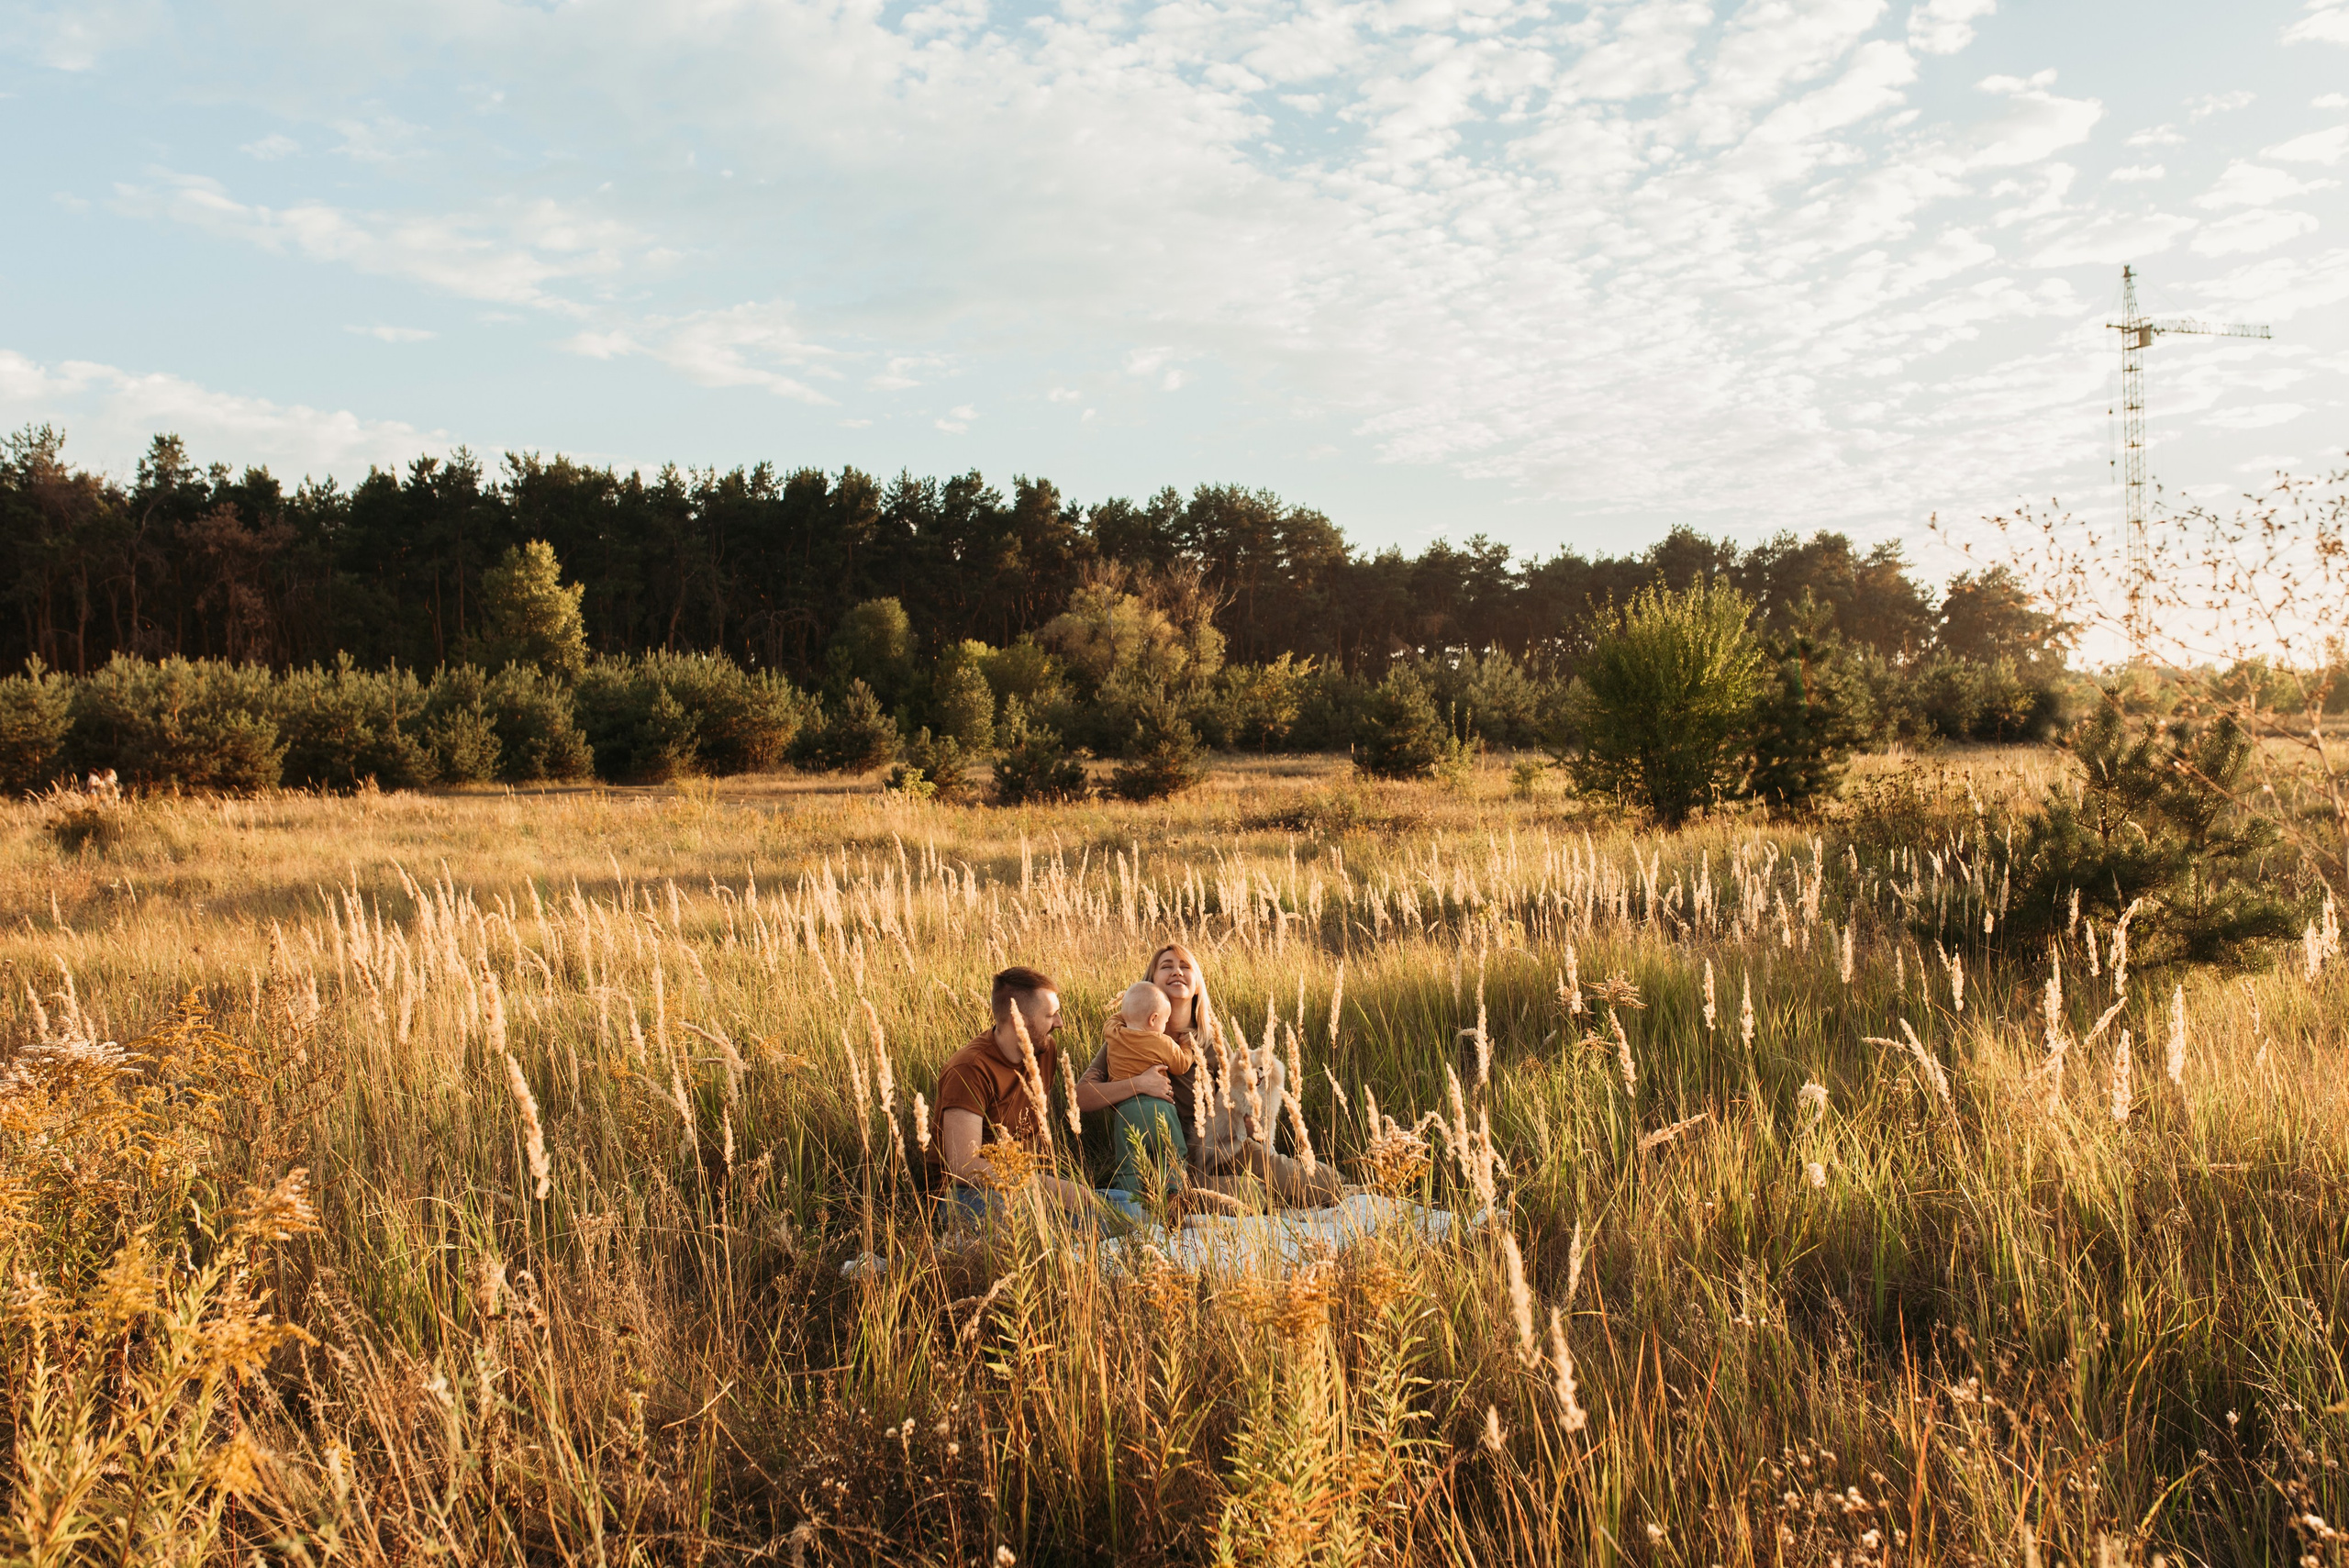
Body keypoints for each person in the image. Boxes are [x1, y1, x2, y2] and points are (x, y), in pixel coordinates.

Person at [1074, 941, 1339, 1208]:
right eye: (1167, 966)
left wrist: (1252, 1121)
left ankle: (1349, 1190)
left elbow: (1239, 1104)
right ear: (1151, 981)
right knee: (1251, 1195)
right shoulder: (1128, 1037)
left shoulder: (1212, 1043)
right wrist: (1140, 1084)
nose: (1177, 971)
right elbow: (1081, 1097)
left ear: (1197, 983)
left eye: (1185, 966)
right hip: (1171, 1170)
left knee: (1308, 1178)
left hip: (1222, 1149)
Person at [927, 965, 1097, 1222]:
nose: (1060, 1023)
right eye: (1051, 1015)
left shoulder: (1044, 1050)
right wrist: (1048, 1187)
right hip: (968, 1196)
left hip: (1026, 1185)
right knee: (1081, 1221)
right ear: (1018, 1021)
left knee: (1118, 1205)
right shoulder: (969, 1069)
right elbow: (965, 1167)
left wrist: (1053, 1186)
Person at [1103, 981, 1192, 1083]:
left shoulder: (1114, 1030)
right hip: (1153, 1096)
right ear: (1153, 1019)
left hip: (1119, 1095)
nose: (1165, 1025)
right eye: (1165, 1021)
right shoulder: (1162, 1042)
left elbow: (1115, 1018)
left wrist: (1133, 1009)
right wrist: (1186, 1046)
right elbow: (1182, 1065)